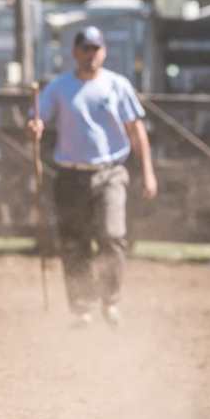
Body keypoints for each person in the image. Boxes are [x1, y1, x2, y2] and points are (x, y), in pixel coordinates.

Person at [27, 26, 158, 327]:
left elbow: (136, 131)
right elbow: (38, 117)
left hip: (110, 172)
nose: (90, 55)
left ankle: (110, 300)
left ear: (104, 52)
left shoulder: (117, 85)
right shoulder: (59, 87)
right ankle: (82, 306)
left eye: (95, 49)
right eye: (85, 49)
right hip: (70, 175)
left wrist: (148, 173)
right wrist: (35, 126)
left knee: (112, 235)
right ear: (75, 52)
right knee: (75, 241)